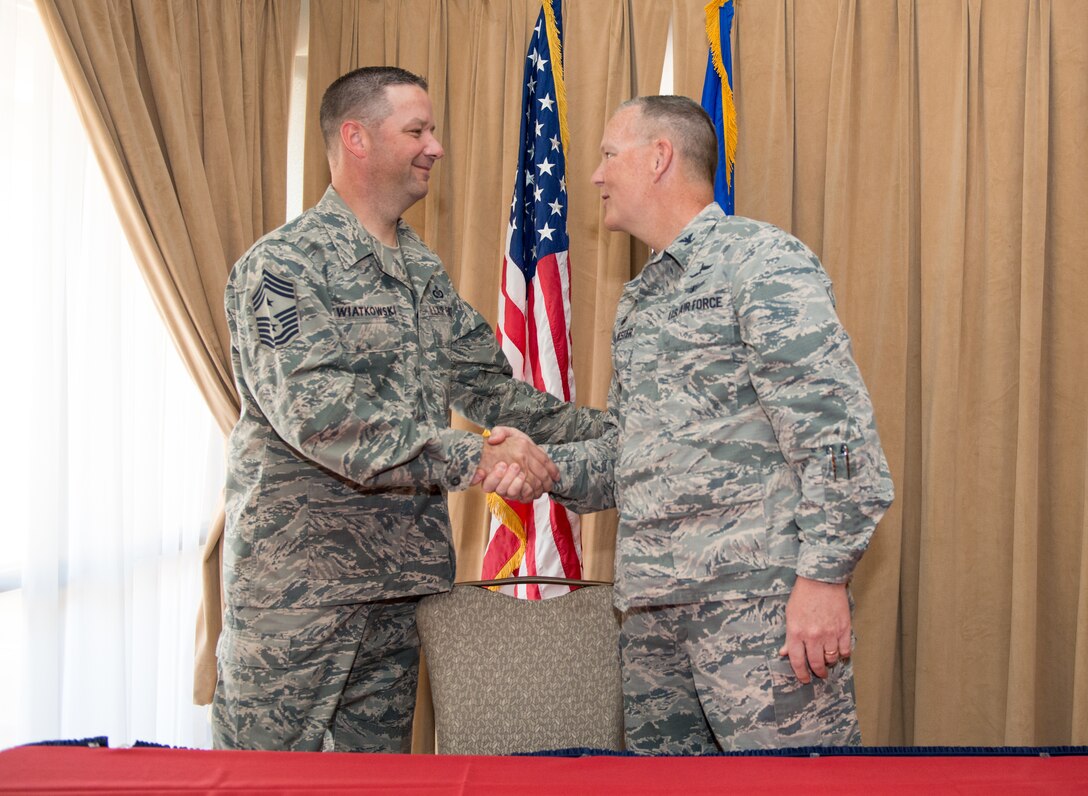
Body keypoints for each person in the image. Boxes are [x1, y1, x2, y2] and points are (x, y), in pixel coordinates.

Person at [212, 66, 604, 753]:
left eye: (435, 130)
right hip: (302, 594)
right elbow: (323, 419)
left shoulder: (419, 266)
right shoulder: (284, 268)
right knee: (262, 779)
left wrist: (618, 435)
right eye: (417, 130)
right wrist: (478, 457)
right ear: (357, 138)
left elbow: (491, 390)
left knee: (377, 780)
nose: (436, 146)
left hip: (398, 587)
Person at [524, 95, 894, 753]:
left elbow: (834, 429)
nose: (597, 176)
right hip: (653, 616)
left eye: (610, 155)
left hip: (758, 613)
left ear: (659, 157)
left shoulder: (758, 260)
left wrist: (824, 578)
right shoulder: (641, 299)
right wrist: (540, 465)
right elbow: (633, 455)